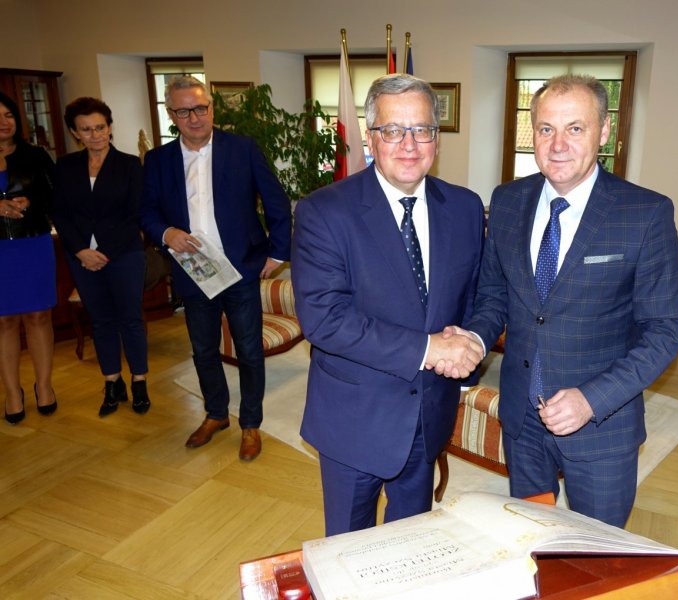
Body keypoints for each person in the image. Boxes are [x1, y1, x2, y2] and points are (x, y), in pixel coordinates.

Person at [454, 74, 678, 527]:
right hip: (522, 421)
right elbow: (494, 294)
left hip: (602, 426)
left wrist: (591, 399)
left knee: (594, 551)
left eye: (575, 128)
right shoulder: (507, 201)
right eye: (546, 129)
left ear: (604, 132)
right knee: (532, 533)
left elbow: (665, 329)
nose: (557, 144)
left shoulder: (645, 213)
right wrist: (475, 341)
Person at [292, 74, 484, 535]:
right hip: (354, 420)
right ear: (371, 136)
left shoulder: (465, 207)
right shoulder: (324, 211)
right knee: (348, 551)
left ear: (437, 137)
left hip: (429, 416)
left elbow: (476, 295)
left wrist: (471, 342)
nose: (409, 144)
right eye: (393, 130)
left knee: (410, 544)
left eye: (422, 129)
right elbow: (325, 319)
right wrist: (429, 348)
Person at [141, 76, 291, 461]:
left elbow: (276, 201)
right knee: (203, 349)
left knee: (249, 351)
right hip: (193, 271)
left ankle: (250, 423)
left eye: (200, 108)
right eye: (183, 111)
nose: (194, 117)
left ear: (211, 107)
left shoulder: (242, 149)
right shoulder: (158, 160)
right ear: (171, 114)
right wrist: (166, 233)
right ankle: (216, 413)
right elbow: (147, 211)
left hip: (240, 267)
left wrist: (278, 253)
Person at [53, 97, 150, 417]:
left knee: (130, 319)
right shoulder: (66, 166)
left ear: (110, 127)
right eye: (86, 129)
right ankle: (112, 382)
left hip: (124, 254)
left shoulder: (130, 165)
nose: (95, 135)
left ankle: (139, 381)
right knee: (101, 320)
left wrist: (104, 252)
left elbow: (135, 215)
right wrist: (81, 250)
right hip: (81, 257)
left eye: (100, 127)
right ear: (74, 132)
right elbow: (60, 213)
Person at [0, 91, 58, 424]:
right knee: (4, 321)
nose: (3, 122)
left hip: (33, 244)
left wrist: (31, 202)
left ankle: (44, 387)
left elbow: (56, 195)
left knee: (38, 316)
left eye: (8, 115)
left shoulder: (35, 155)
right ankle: (12, 393)